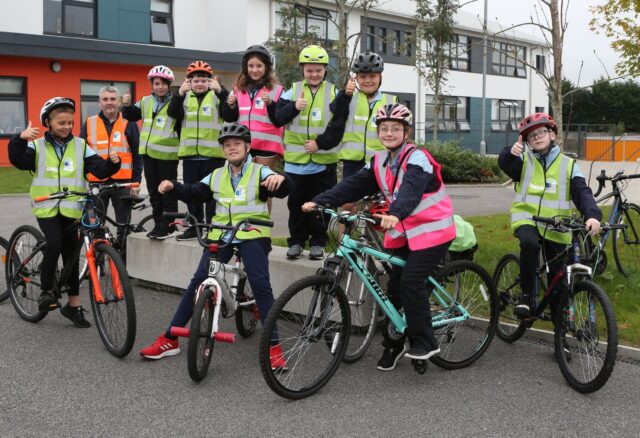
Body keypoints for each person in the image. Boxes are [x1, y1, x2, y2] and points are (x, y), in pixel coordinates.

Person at [303, 103, 456, 371]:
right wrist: (320, 200)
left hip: (432, 232)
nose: (388, 133)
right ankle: (393, 344)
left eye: (395, 128)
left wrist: (395, 213)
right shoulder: (378, 160)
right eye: (384, 128)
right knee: (394, 289)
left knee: (410, 282)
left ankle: (425, 341)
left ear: (406, 131)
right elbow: (352, 185)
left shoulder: (417, 158)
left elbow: (411, 189)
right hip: (404, 233)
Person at [139, 122, 292, 370]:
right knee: (198, 281)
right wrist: (173, 187)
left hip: (253, 233)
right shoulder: (217, 175)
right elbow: (195, 192)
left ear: (248, 146)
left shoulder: (259, 171)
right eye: (227, 145)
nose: (232, 149)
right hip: (222, 233)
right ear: (223, 150)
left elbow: (284, 187)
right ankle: (170, 338)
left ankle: (273, 346)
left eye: (237, 144)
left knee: (260, 283)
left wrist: (279, 180)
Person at [8, 97, 121, 327]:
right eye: (61, 123)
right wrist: (19, 140)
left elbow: (97, 169)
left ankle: (73, 306)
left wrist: (112, 164)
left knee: (71, 256)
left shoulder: (80, 145)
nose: (67, 127)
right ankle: (47, 290)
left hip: (72, 209)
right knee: (55, 244)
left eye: (70, 122)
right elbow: (18, 161)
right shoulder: (37, 145)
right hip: (47, 207)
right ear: (48, 123)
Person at [498, 112, 601, 318]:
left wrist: (592, 215)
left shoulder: (568, 165)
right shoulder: (524, 161)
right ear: (526, 141)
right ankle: (527, 297)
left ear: (553, 134)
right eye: (531, 136)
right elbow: (505, 164)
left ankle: (559, 327)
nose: (537, 137)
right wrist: (511, 152)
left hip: (557, 225)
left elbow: (581, 191)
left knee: (558, 277)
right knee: (529, 244)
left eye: (542, 132)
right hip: (527, 219)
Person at [272, 45, 344, 260]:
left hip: (323, 163)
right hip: (296, 164)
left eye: (318, 70)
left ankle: (318, 243)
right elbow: (278, 118)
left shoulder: (333, 92)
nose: (314, 74)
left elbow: (338, 126)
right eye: (309, 70)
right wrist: (294, 106)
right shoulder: (292, 91)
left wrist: (319, 144)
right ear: (302, 70)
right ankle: (296, 242)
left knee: (320, 206)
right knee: (296, 206)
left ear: (325, 71)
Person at [167, 60, 228, 241]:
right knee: (191, 194)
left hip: (213, 156)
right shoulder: (183, 97)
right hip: (190, 156)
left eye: (203, 80)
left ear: (210, 82)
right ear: (189, 82)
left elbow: (231, 113)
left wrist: (222, 91)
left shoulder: (217, 96)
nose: (200, 83)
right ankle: (195, 227)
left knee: (212, 195)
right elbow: (173, 114)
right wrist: (178, 94)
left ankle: (212, 227)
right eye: (196, 80)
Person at [122, 65, 179, 240]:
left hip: (167, 155)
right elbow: (131, 115)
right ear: (152, 85)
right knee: (154, 192)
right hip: (148, 154)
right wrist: (126, 105)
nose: (160, 87)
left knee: (167, 192)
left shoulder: (175, 102)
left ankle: (168, 226)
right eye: (156, 83)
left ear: (169, 85)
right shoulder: (146, 101)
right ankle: (157, 224)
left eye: (163, 83)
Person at [80, 85, 142, 247]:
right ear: (99, 103)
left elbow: (137, 155)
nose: (109, 103)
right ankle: (97, 264)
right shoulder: (89, 123)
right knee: (96, 226)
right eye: (105, 99)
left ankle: (121, 264)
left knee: (123, 226)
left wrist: (137, 182)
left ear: (119, 102)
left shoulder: (129, 123)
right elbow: (81, 154)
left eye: (113, 99)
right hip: (97, 183)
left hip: (123, 183)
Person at [220, 44, 284, 172]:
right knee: (245, 185)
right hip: (244, 144)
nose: (254, 70)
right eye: (251, 66)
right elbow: (228, 117)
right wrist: (229, 105)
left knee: (264, 185)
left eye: (259, 66)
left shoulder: (277, 90)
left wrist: (271, 103)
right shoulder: (237, 89)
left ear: (266, 68)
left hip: (267, 146)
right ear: (245, 67)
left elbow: (280, 119)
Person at [337, 51, 398, 178]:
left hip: (380, 163)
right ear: (356, 78)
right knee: (350, 198)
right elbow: (335, 111)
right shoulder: (348, 99)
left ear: (380, 77)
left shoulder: (391, 101)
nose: (368, 81)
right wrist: (345, 94)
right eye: (363, 77)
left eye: (372, 76)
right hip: (352, 164)